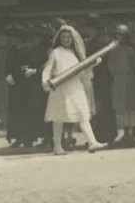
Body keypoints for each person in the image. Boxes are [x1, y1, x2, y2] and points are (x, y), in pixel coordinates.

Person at [42, 24, 107, 155]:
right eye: (63, 37)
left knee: (82, 113)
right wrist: (46, 81)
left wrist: (93, 64)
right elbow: (48, 69)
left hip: (75, 87)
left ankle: (92, 142)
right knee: (58, 117)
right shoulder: (56, 52)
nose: (66, 39)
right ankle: (57, 146)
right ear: (59, 39)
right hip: (60, 88)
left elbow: (81, 72)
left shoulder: (75, 54)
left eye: (68, 37)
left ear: (72, 39)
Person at [105, 24, 135, 148]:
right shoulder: (114, 50)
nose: (119, 37)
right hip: (119, 79)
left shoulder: (130, 50)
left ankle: (133, 133)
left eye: (121, 35)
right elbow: (110, 64)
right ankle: (126, 133)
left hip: (130, 79)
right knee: (123, 108)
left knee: (132, 107)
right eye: (117, 35)